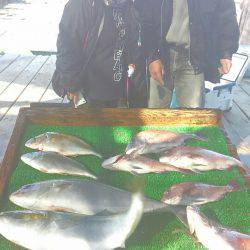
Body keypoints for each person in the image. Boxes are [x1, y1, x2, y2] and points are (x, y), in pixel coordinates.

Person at [52, 0, 146, 108]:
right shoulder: (80, 5)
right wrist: (71, 85)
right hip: (89, 93)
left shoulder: (126, 5)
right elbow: (67, 47)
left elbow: (132, 42)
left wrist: (133, 62)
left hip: (120, 93)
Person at [148, 0, 240, 108]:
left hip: (193, 58)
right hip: (162, 55)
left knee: (192, 117)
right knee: (155, 115)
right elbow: (146, 17)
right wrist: (152, 57)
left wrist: (225, 52)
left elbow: (226, 14)